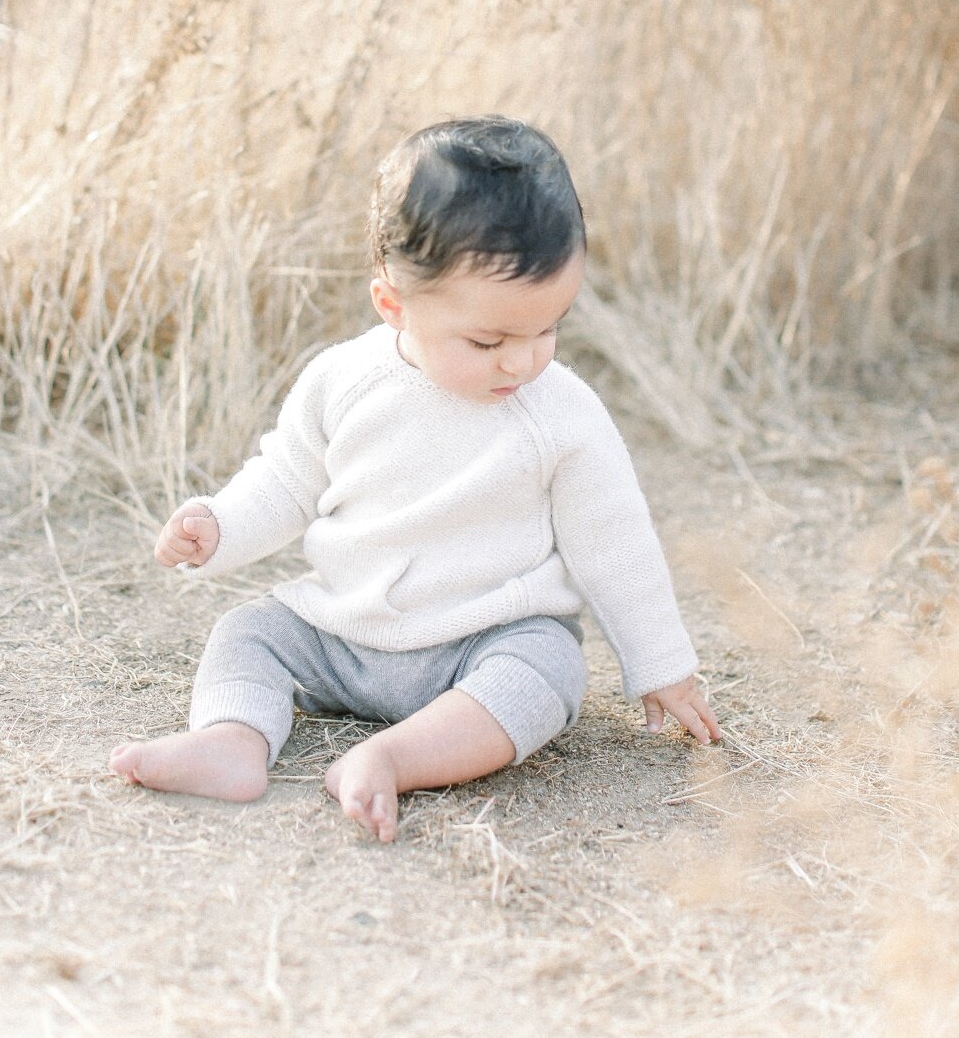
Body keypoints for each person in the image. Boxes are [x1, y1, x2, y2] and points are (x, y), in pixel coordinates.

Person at [110, 117, 720, 841]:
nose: (522, 362)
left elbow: (614, 541)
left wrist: (660, 663)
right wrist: (220, 524)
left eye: (549, 328)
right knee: (249, 631)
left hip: (482, 638)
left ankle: (395, 757)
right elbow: (286, 478)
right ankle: (234, 739)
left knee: (549, 668)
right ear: (393, 303)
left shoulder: (563, 412)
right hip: (339, 630)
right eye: (489, 340)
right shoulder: (344, 380)